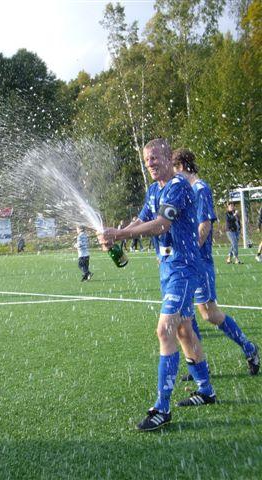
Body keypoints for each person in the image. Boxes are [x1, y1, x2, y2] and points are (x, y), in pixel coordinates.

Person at [98, 138, 216, 432]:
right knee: (184, 329)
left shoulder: (178, 187)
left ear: (167, 157)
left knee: (165, 330)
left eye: (154, 158)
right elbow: (141, 219)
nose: (150, 163)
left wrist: (121, 235)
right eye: (146, 159)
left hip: (185, 268)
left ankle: (161, 408)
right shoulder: (154, 190)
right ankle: (206, 391)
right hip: (169, 270)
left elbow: (161, 224)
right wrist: (114, 235)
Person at [172, 148, 259, 378]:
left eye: (174, 170)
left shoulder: (200, 189)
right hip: (187, 263)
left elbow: (205, 226)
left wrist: (190, 251)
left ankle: (250, 349)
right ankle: (198, 364)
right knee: (185, 314)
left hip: (199, 262)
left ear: (180, 167)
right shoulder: (188, 189)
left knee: (209, 314)